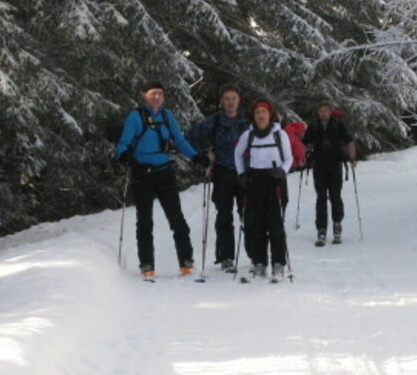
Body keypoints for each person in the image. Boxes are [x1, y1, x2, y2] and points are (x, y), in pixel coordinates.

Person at [115, 81, 211, 279]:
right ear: (144, 95)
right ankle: (147, 264)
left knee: (176, 217)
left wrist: (195, 156)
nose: (157, 97)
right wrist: (124, 156)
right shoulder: (136, 117)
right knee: (144, 221)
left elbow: (179, 140)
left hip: (164, 171)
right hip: (142, 174)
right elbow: (123, 142)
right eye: (153, 93)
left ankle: (186, 261)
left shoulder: (167, 116)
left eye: (160, 93)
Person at [186, 83, 250, 272]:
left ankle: (256, 255)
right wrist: (205, 154)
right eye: (227, 98)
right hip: (223, 171)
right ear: (221, 101)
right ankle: (226, 257)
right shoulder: (214, 121)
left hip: (245, 172)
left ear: (239, 101)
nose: (230, 102)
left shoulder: (248, 120)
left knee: (248, 214)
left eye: (234, 98)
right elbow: (189, 137)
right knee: (224, 215)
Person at [234, 100, 293, 280]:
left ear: (270, 114)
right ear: (254, 115)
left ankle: (278, 264)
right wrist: (241, 174)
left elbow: (289, 158)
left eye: (264, 112)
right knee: (255, 224)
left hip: (274, 180)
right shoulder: (248, 135)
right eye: (258, 112)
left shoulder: (279, 134)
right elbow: (237, 154)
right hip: (254, 181)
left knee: (275, 223)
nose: (261, 115)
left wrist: (282, 171)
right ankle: (260, 262)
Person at [301, 101, 356, 246]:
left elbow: (349, 141)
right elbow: (304, 143)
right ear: (318, 113)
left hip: (335, 165)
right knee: (321, 198)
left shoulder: (338, 125)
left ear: (330, 112)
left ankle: (337, 224)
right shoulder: (313, 127)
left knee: (335, 196)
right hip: (319, 167)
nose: (323, 113)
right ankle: (321, 229)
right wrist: (301, 157)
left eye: (325, 110)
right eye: (321, 111)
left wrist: (352, 158)